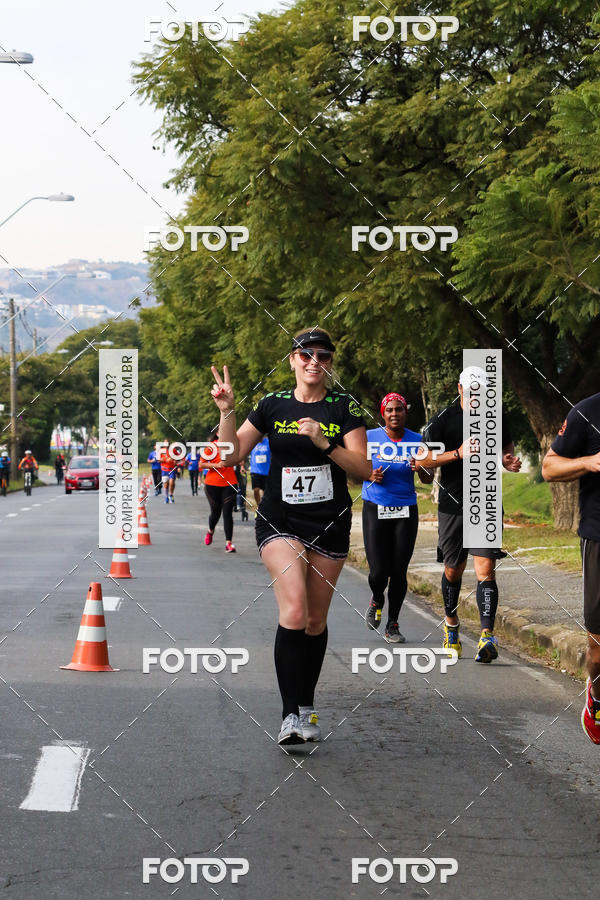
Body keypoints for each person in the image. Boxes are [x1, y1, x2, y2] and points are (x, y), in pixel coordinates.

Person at [210, 327, 371, 745]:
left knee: (315, 622)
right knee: (295, 610)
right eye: (305, 354)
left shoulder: (344, 408)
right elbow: (231, 455)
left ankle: (305, 705)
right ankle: (288, 716)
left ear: (330, 364)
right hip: (280, 520)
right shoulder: (271, 405)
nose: (313, 361)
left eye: (323, 355)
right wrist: (228, 411)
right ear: (292, 360)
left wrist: (324, 443)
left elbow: (363, 469)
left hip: (330, 522)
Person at [418, 366, 521, 663]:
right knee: (454, 570)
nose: (478, 397)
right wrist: (457, 454)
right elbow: (424, 460)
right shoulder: (442, 420)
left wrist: (508, 461)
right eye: (472, 391)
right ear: (460, 390)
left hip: (486, 501)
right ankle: (451, 625)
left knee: (485, 569)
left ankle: (486, 636)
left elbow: (506, 448)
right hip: (452, 506)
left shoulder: (496, 415)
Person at [542, 394, 600, 744]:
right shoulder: (588, 411)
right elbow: (549, 467)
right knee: (597, 649)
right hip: (599, 536)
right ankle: (596, 692)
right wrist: (590, 462)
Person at [363, 392, 433, 642]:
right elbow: (356, 466)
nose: (394, 414)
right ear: (383, 413)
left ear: (405, 412)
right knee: (378, 571)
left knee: (399, 571)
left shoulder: (418, 439)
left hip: (406, 509)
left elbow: (427, 478)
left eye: (399, 409)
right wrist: (369, 474)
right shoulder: (369, 437)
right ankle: (377, 598)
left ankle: (392, 624)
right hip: (375, 507)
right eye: (390, 410)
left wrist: (421, 466)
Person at [203, 431, 238, 552]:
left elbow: (240, 459)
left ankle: (229, 543)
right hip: (212, 484)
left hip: (230, 483)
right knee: (215, 513)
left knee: (227, 513)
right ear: (217, 433)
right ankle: (210, 530)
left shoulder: (233, 445)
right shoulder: (211, 446)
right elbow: (201, 464)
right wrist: (217, 465)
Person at [250, 437, 271, 510]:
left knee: (265, 492)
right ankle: (259, 507)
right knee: (256, 489)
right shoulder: (252, 441)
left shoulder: (268, 442)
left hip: (266, 471)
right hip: (255, 470)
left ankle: (265, 507)